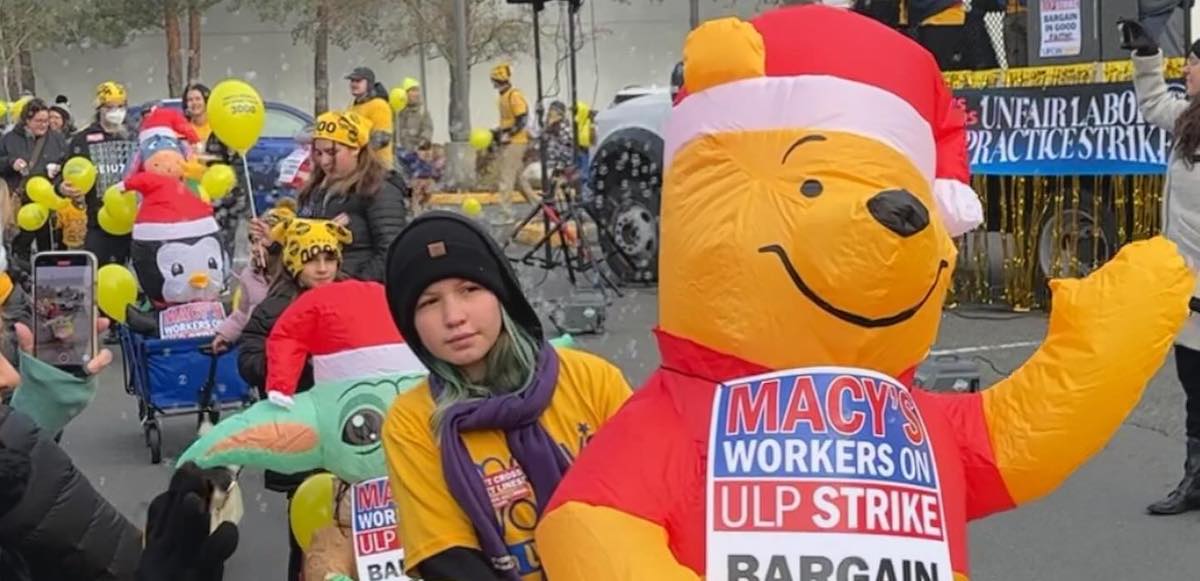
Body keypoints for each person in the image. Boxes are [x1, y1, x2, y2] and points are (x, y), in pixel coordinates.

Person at [382, 211, 632, 581]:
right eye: (428, 302)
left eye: (469, 289)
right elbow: (448, 559)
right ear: (411, 326)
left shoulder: (591, 378)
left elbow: (652, 500)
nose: (454, 316)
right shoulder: (413, 420)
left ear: (502, 295)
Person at [237, 214, 348, 580]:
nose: (322, 268)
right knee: (307, 531)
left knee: (356, 526)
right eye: (312, 259)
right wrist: (292, 365)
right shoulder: (275, 308)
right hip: (303, 430)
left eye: (329, 259)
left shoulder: (353, 297)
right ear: (295, 263)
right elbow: (249, 358)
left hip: (352, 430)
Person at [1126, 19, 1200, 515]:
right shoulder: (1189, 120)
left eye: (1193, 64)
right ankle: (1195, 480)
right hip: (1185, 285)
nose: (1187, 71)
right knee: (1194, 388)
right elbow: (1154, 103)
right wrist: (1147, 56)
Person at [263, 110, 406, 282]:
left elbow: (391, 252)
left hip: (355, 296)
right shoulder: (315, 189)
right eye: (318, 153)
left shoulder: (379, 189)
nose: (324, 161)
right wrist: (273, 244)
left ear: (355, 149)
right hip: (315, 291)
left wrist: (349, 288)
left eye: (332, 152)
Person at [60, 81, 137, 267]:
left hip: (135, 219)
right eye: (110, 107)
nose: (116, 111)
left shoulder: (136, 135)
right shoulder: (83, 139)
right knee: (100, 274)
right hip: (100, 219)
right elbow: (66, 171)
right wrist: (61, 186)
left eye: (120, 106)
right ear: (99, 108)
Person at [0, 98, 70, 272]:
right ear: (27, 120)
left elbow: (68, 162)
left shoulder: (56, 138)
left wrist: (58, 168)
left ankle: (51, 283)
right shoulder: (9, 139)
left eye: (46, 121)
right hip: (20, 203)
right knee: (19, 248)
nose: (44, 125)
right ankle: (23, 281)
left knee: (50, 249)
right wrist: (11, 163)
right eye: (38, 121)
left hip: (50, 202)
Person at [183, 82, 244, 261]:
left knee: (222, 245)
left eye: (197, 99)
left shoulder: (220, 128)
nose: (194, 103)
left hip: (221, 198)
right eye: (189, 99)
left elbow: (235, 163)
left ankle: (223, 282)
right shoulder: (181, 129)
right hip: (191, 193)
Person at [490, 64, 538, 222]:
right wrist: (498, 132)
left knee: (506, 177)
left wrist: (509, 134)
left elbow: (521, 119)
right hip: (511, 140)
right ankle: (538, 205)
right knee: (518, 179)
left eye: (495, 79)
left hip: (515, 142)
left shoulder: (513, 95)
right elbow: (510, 120)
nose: (494, 83)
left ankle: (506, 213)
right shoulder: (504, 96)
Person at [346, 67, 395, 170]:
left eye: (358, 81)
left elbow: (382, 138)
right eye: (352, 81)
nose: (354, 84)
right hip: (359, 167)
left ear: (369, 84)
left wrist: (359, 153)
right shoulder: (351, 107)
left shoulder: (379, 105)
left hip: (377, 167)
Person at [395, 77, 433, 154]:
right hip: (399, 155)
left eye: (417, 90)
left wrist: (420, 147)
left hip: (416, 156)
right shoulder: (399, 112)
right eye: (412, 90)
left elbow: (427, 131)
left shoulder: (422, 112)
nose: (416, 94)